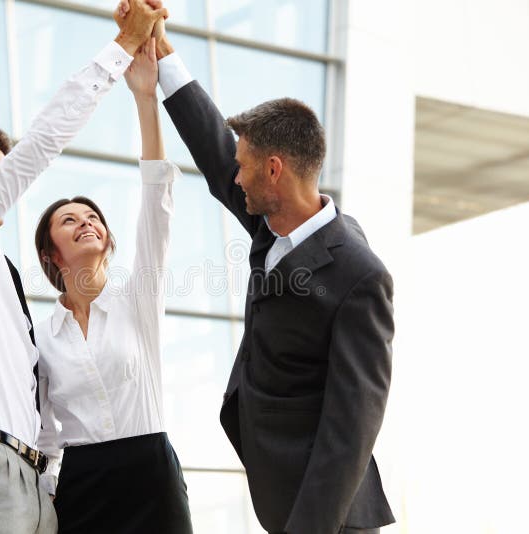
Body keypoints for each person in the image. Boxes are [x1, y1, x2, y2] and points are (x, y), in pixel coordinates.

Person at [116, 5, 396, 533]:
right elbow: (213, 147)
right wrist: (162, 49)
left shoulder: (361, 276)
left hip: (330, 517)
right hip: (280, 495)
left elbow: (351, 426)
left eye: (245, 168)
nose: (234, 178)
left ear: (275, 170)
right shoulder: (273, 222)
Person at [0, 2, 167, 532]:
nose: (0, 185)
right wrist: (121, 49)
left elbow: (34, 403)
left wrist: (45, 477)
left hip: (32, 477)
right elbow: (40, 147)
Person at [31, 35, 192, 534]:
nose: (85, 221)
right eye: (68, 220)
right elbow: (42, 430)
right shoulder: (40, 334)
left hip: (151, 475)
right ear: (50, 254)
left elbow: (156, 200)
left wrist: (145, 99)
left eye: (92, 215)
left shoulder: (136, 299)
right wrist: (50, 488)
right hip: (83, 487)